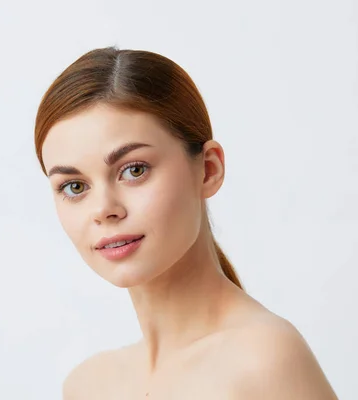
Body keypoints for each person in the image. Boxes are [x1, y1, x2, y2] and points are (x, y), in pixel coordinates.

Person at [34, 46, 338, 399]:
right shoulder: (86, 385)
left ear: (209, 168)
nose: (104, 209)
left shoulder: (264, 360)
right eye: (74, 187)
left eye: (134, 170)